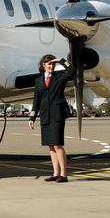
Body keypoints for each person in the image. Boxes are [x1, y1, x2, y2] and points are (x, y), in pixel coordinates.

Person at [28, 54, 74, 183]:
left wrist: (61, 61)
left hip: (57, 114)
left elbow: (72, 71)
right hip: (45, 115)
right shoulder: (38, 81)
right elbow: (36, 100)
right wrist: (32, 117)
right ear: (43, 65)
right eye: (49, 64)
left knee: (57, 144)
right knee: (50, 146)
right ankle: (55, 173)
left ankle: (64, 175)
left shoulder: (60, 77)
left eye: (53, 64)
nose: (51, 66)